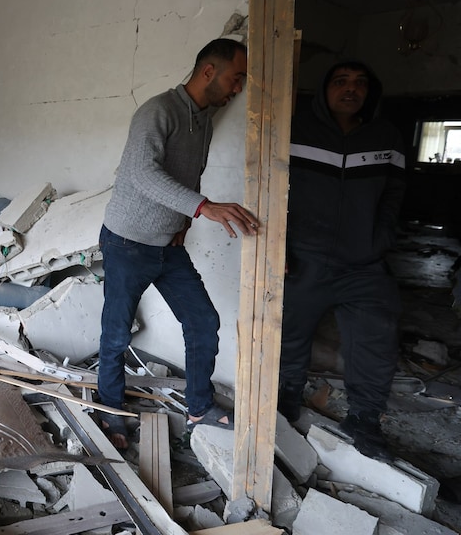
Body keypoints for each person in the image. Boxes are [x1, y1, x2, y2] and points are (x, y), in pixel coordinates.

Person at [97, 38, 260, 449]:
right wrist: (204, 207)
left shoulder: (203, 118)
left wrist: (186, 218)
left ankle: (199, 407)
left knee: (203, 321)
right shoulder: (158, 111)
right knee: (116, 335)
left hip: (169, 247)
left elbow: (189, 175)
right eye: (235, 78)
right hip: (127, 243)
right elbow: (141, 174)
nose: (238, 89)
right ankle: (111, 413)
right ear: (209, 72)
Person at [277, 61, 406, 461]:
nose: (351, 90)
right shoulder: (296, 130)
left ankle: (365, 419)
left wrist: (381, 238)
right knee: (288, 335)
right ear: (324, 89)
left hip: (364, 263)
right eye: (341, 82)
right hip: (305, 257)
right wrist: (279, 246)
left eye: (360, 83)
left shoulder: (387, 137)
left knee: (376, 339)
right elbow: (273, 186)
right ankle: (284, 401)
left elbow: (395, 195)